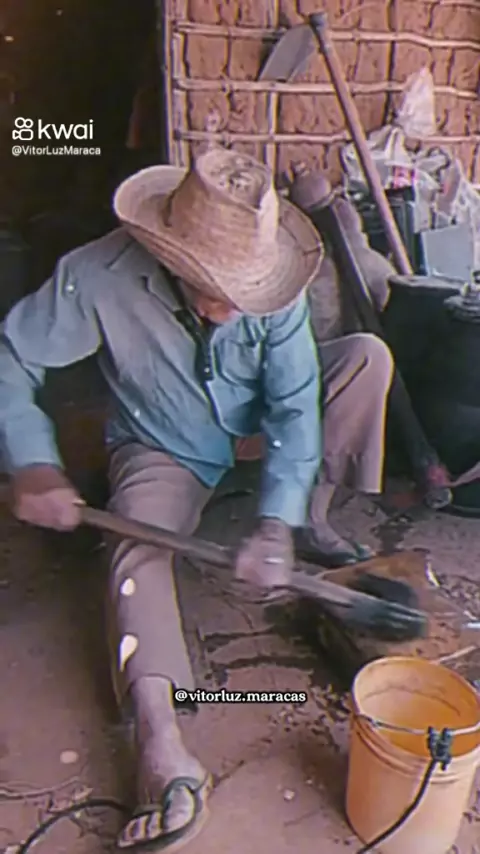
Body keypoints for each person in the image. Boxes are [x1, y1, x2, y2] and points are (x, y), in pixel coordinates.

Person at [0, 148, 393, 851]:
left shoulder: (272, 282)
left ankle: (311, 519)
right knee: (135, 544)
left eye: (249, 290)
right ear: (171, 257)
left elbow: (295, 404)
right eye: (221, 289)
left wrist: (275, 523)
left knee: (365, 358)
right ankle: (161, 746)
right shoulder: (97, 275)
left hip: (256, 428)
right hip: (163, 441)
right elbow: (10, 356)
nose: (239, 306)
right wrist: (32, 461)